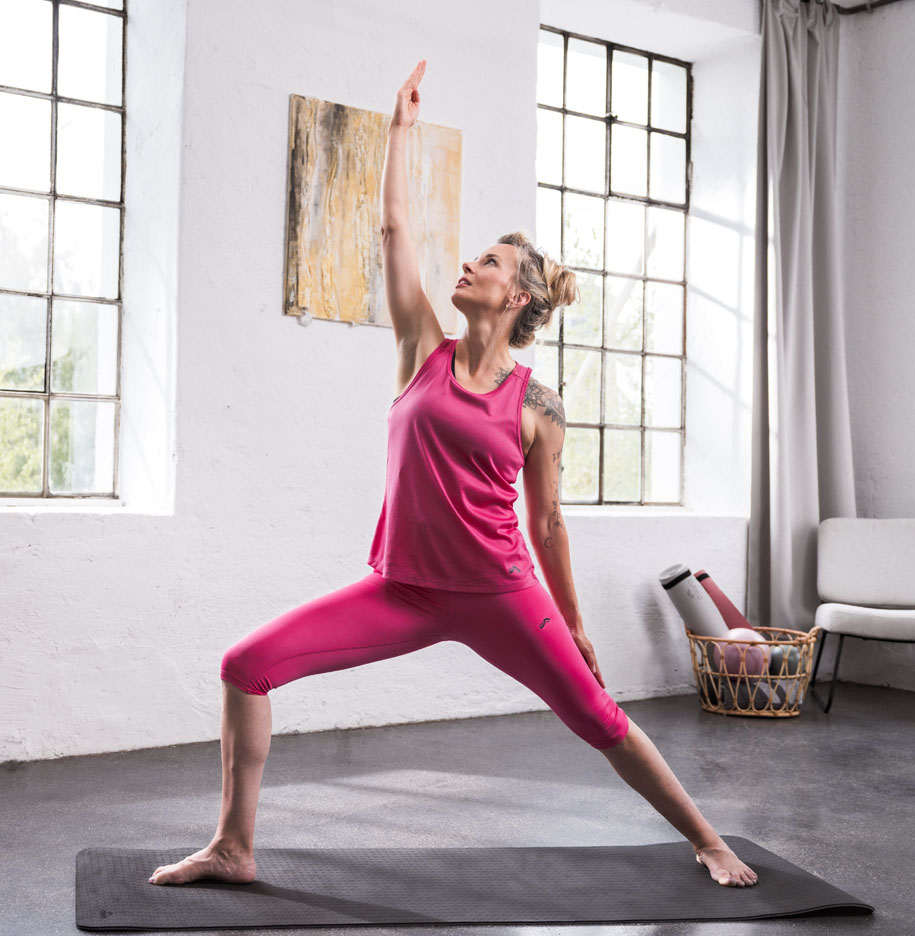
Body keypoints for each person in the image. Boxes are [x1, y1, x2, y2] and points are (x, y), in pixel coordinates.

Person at [148, 59, 757, 890]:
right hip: (403, 590)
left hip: (502, 592)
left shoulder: (538, 404)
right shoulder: (419, 351)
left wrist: (573, 623)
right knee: (244, 665)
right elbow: (395, 233)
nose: (470, 265)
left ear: (517, 299)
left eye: (491, 263)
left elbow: (546, 525)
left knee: (598, 718)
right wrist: (398, 132)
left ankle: (708, 839)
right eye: (475, 257)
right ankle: (233, 845)